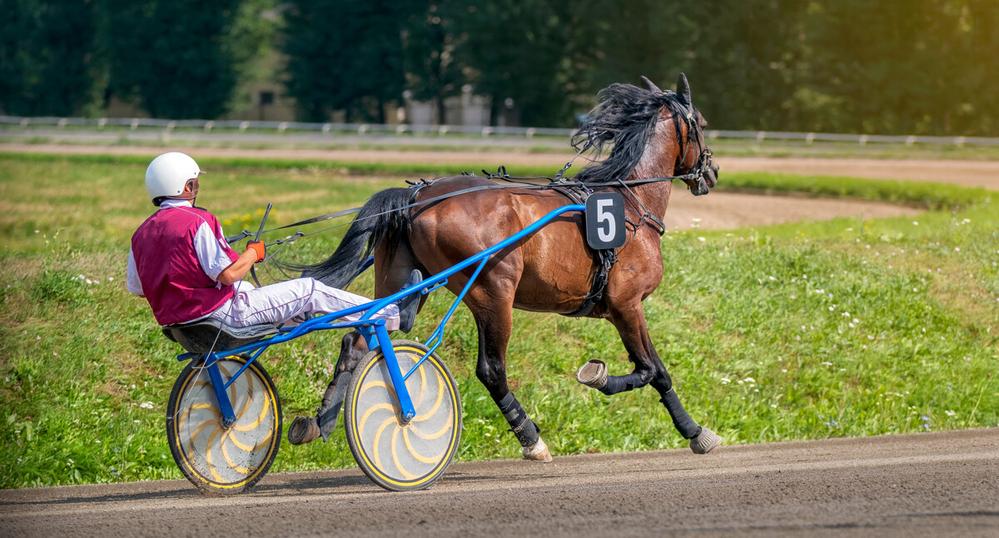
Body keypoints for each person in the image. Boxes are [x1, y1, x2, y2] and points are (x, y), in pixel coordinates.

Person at [126, 151, 420, 348]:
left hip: (181, 328)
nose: (197, 187)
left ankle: (310, 314)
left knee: (257, 292)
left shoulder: (139, 235)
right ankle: (392, 313)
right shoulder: (199, 221)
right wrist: (253, 253)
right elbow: (228, 275)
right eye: (196, 182)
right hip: (222, 319)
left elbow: (139, 289)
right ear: (188, 186)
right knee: (309, 290)